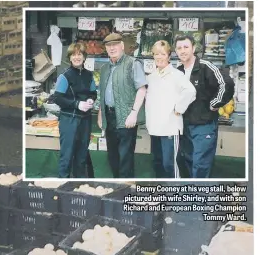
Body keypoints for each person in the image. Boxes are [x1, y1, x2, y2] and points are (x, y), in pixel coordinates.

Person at [175, 35, 235, 178]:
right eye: (179, 48)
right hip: (185, 125)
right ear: (176, 51)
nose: (182, 51)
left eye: (186, 47)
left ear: (193, 48)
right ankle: (191, 194)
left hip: (204, 125)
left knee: (201, 163)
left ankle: (200, 195)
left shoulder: (205, 66)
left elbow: (227, 83)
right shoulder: (178, 71)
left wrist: (215, 103)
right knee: (187, 160)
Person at [97, 32, 147, 178]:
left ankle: (125, 190)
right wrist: (101, 113)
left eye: (115, 45)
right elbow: (102, 93)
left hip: (127, 117)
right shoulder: (104, 68)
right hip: (109, 116)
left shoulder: (133, 63)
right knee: (112, 156)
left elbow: (142, 89)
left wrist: (134, 113)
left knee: (125, 157)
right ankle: (116, 186)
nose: (112, 48)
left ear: (122, 46)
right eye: (108, 46)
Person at [145, 40, 196, 178]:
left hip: (170, 128)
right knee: (158, 163)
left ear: (168, 55)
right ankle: (161, 192)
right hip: (154, 128)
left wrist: (179, 108)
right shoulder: (151, 77)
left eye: (162, 54)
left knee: (170, 165)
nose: (159, 57)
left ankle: (175, 194)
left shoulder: (176, 75)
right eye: (156, 54)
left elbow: (190, 91)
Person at [52, 42, 97, 178]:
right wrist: (77, 104)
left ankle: (79, 187)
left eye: (79, 54)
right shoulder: (65, 76)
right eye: (74, 55)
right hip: (69, 119)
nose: (77, 57)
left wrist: (91, 100)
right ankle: (62, 187)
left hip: (85, 120)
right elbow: (57, 98)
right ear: (70, 58)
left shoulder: (89, 75)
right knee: (66, 157)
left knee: (82, 156)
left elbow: (93, 93)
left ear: (84, 57)